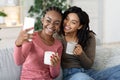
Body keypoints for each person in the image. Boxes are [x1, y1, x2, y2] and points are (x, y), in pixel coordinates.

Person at [59, 6, 120, 80]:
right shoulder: (58, 36)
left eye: (73, 22)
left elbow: (88, 65)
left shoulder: (88, 36)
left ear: (80, 26)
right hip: (72, 74)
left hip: (90, 72)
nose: (67, 24)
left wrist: (81, 54)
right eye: (66, 19)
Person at [13, 6, 63, 80]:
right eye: (48, 20)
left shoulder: (58, 45)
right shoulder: (31, 37)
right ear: (42, 20)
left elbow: (54, 75)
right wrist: (18, 43)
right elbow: (18, 62)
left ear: (59, 26)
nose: (51, 25)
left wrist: (53, 65)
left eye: (56, 23)